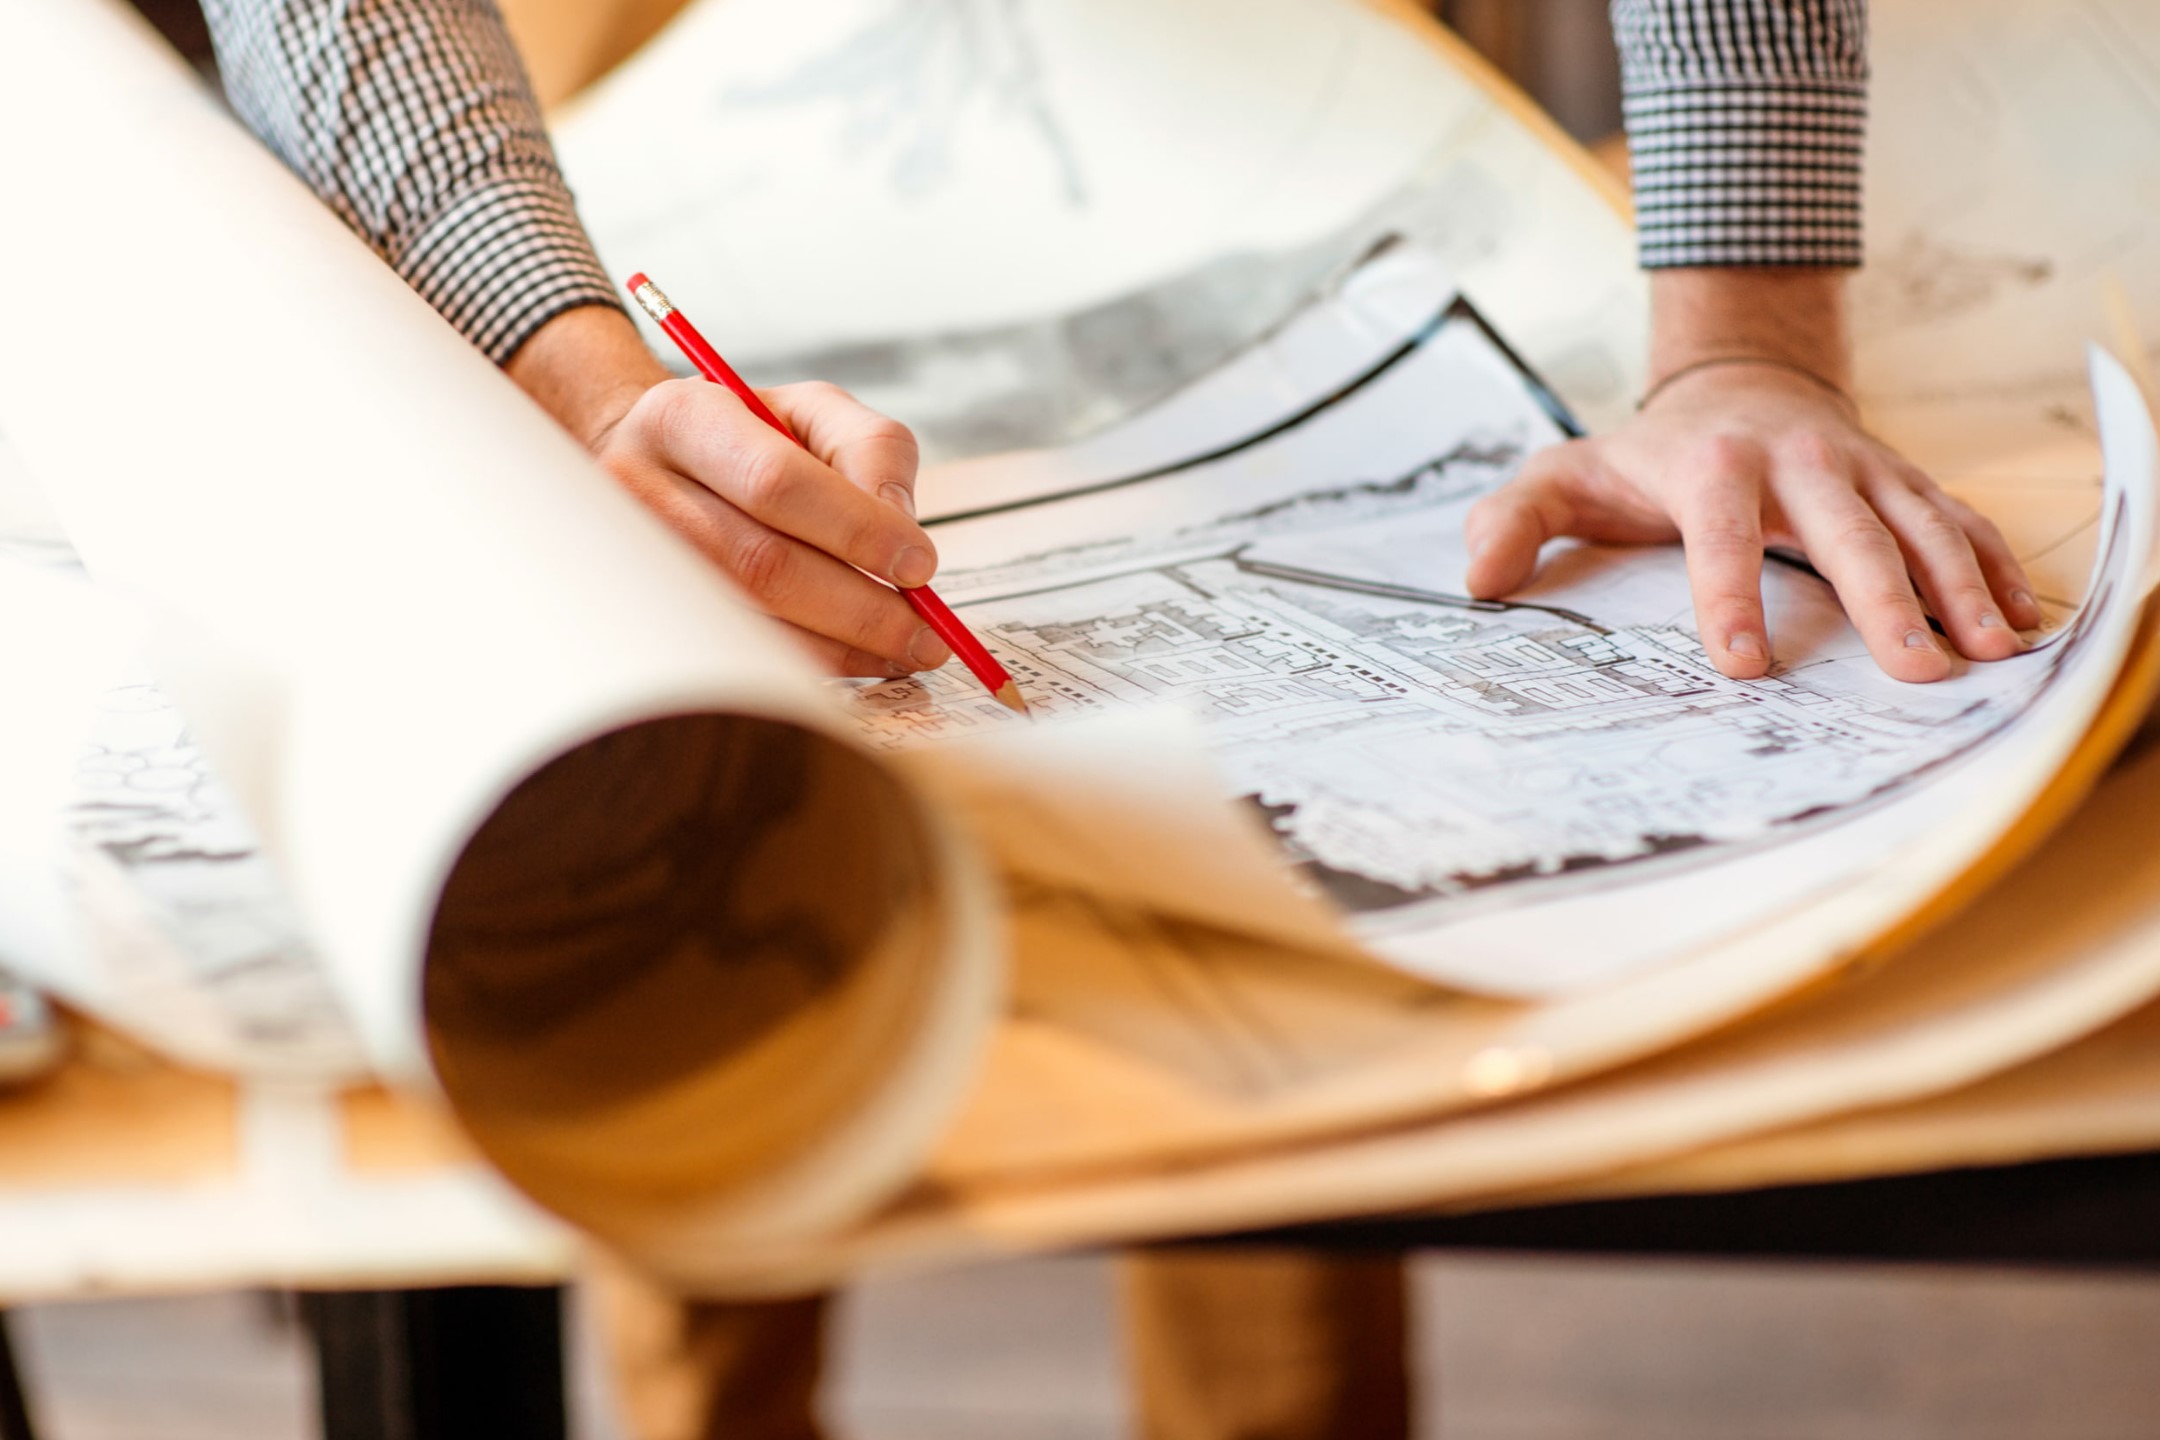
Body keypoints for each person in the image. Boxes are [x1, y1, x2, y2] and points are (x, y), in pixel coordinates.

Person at [194, 2, 2038, 1437]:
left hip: (1234, 107)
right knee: (710, 816)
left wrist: (1745, 330)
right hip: (632, 95)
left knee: (1275, 1001)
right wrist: (575, 374)